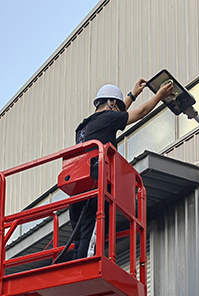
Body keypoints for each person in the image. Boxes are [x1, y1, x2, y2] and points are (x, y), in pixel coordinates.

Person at [69, 79, 175, 260]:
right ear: (111, 104)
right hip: (97, 186)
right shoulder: (109, 119)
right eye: (116, 106)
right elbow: (140, 113)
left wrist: (132, 95)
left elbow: (115, 115)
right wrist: (159, 95)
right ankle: (85, 267)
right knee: (91, 234)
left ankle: (77, 265)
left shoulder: (84, 126)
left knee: (80, 236)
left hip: (77, 189)